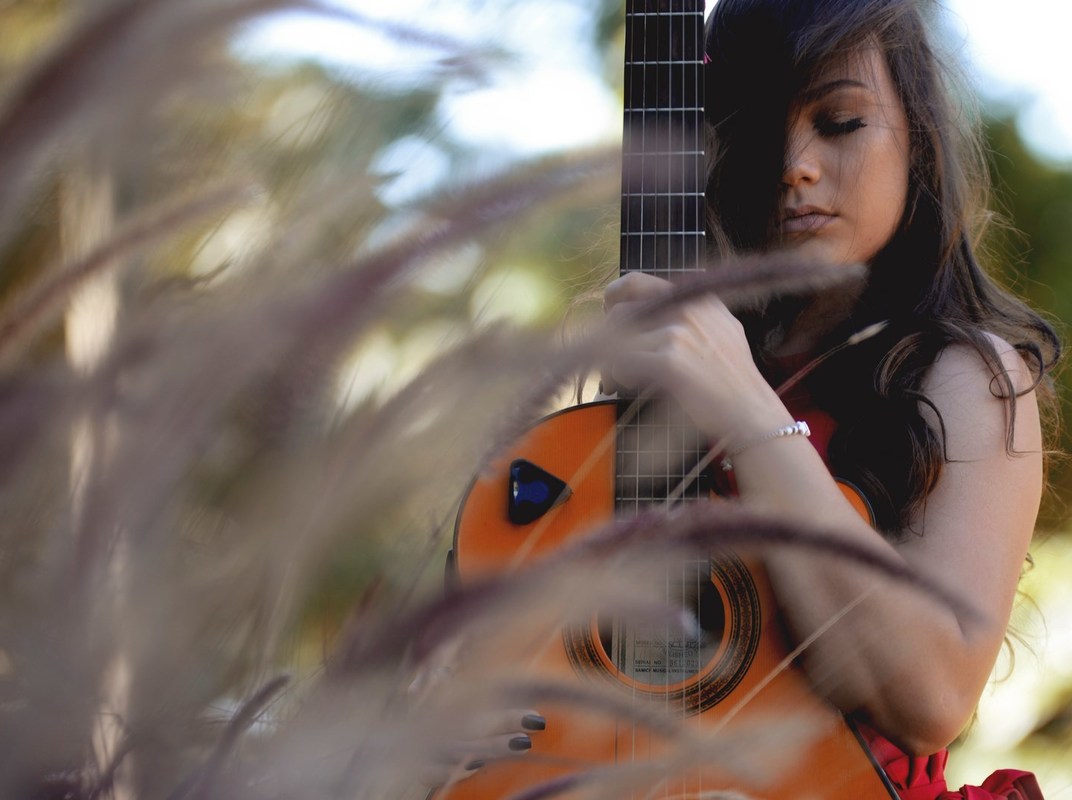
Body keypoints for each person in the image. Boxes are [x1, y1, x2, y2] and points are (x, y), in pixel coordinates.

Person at [439, 0, 1058, 797]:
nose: (794, 164)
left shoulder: (966, 377)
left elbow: (933, 696)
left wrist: (743, 404)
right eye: (759, 129)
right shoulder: (648, 389)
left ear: (921, 141)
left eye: (839, 122)